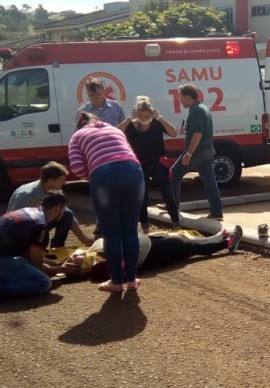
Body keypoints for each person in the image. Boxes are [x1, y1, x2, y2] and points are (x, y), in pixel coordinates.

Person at [0, 192, 81, 307]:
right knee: (44, 283)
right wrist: (63, 269)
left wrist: (57, 264)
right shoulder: (41, 226)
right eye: (63, 209)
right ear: (57, 209)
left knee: (27, 265)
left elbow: (29, 255)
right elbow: (38, 265)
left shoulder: (30, 212)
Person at [68, 112, 144, 292]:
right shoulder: (114, 130)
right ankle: (132, 280)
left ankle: (116, 282)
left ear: (80, 125)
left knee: (111, 233)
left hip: (104, 176)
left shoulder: (77, 136)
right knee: (130, 230)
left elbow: (77, 168)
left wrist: (95, 175)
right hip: (134, 172)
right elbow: (126, 153)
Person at [71, 226, 244, 280]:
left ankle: (216, 237)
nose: (75, 257)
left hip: (147, 241)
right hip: (150, 254)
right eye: (76, 260)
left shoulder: (92, 249)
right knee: (188, 247)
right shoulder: (98, 262)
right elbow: (124, 266)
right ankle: (227, 243)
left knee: (182, 239)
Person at [117, 95, 181, 232]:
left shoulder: (157, 123)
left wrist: (160, 118)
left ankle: (176, 223)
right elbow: (116, 133)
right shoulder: (131, 125)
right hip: (140, 164)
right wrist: (128, 119)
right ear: (136, 114)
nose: (144, 119)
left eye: (147, 116)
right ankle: (145, 226)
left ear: (151, 114)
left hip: (157, 163)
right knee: (142, 196)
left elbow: (174, 133)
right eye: (141, 116)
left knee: (168, 194)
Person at [7, 162, 92, 247]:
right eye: (61, 179)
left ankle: (57, 247)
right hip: (25, 228)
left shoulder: (55, 190)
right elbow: (12, 223)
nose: (64, 183)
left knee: (67, 214)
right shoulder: (26, 195)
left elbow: (67, 214)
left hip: (40, 223)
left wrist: (83, 239)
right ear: (51, 181)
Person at [171, 83, 223, 220]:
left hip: (197, 153)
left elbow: (198, 134)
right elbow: (199, 129)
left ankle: (173, 206)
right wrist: (186, 130)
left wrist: (188, 154)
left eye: (181, 97)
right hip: (206, 152)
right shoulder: (202, 108)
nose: (180, 100)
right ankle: (217, 212)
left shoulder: (196, 111)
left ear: (188, 97)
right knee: (210, 182)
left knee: (174, 173)